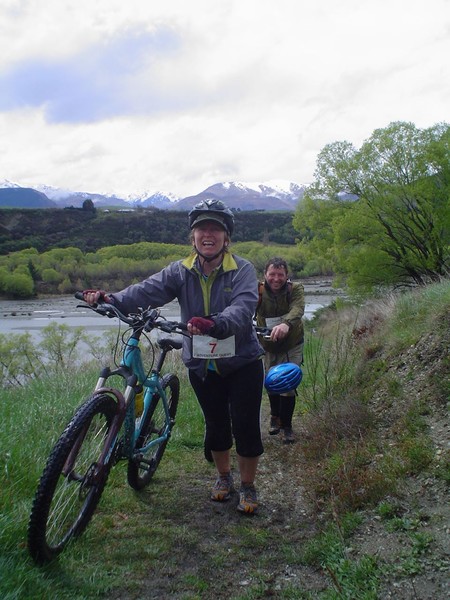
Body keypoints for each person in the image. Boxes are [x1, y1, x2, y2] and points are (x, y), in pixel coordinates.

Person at [82, 199, 264, 514]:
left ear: (226, 237)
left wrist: (215, 323)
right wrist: (112, 299)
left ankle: (248, 486)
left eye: (215, 229)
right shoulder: (180, 270)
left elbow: (244, 307)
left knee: (246, 425)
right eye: (201, 229)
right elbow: (146, 291)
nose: (208, 234)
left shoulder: (243, 270)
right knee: (217, 424)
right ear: (193, 237)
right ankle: (224, 478)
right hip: (201, 364)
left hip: (242, 363)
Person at [255, 257, 305, 443]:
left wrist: (286, 324)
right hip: (268, 345)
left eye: (280, 275)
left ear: (287, 276)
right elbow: (244, 307)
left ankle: (288, 427)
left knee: (288, 382)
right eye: (272, 274)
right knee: (271, 381)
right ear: (265, 275)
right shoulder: (257, 290)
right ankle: (275, 416)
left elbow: (298, 308)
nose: (276, 279)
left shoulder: (296, 289)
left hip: (292, 343)